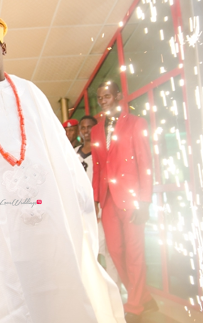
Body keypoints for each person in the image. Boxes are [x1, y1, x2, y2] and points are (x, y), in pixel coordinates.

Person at [0, 10, 125, 322]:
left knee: (55, 287)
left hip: (45, 219)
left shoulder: (30, 92)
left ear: (3, 47)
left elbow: (61, 154)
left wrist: (79, 199)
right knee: (0, 291)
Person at [91, 82, 157, 323]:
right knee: (116, 252)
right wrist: (97, 201)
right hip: (108, 200)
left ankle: (136, 305)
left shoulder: (136, 123)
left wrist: (145, 202)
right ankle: (144, 295)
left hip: (131, 200)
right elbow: (98, 168)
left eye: (107, 95)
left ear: (118, 96)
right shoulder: (97, 130)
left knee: (135, 252)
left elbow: (145, 164)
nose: (103, 100)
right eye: (99, 97)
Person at [76, 116, 121, 289]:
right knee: (86, 251)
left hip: (101, 207)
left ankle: (114, 288)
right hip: (81, 210)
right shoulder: (73, 152)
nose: (86, 131)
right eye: (83, 127)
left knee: (107, 248)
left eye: (90, 127)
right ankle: (93, 288)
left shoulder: (104, 153)